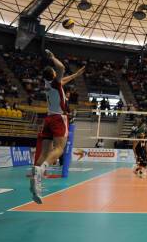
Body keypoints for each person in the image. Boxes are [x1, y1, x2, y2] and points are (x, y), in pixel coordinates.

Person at [30, 50, 85, 204]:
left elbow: (63, 78)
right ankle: (42, 170)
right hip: (58, 118)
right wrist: (52, 56)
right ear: (54, 75)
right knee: (60, 148)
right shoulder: (55, 81)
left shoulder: (49, 84)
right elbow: (61, 68)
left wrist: (76, 75)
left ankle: (36, 180)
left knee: (44, 152)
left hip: (47, 118)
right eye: (55, 73)